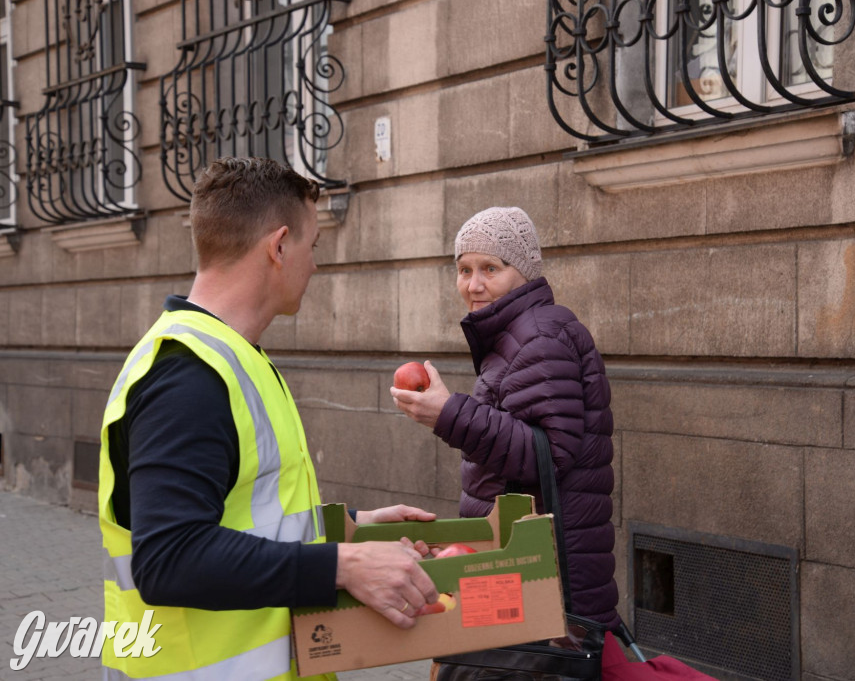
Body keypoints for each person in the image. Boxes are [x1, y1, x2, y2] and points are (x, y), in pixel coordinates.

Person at [97, 157, 439, 681]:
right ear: (279, 247)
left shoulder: (236, 359)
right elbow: (169, 557)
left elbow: (246, 512)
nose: (316, 266)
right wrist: (344, 567)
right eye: (313, 247)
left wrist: (349, 530)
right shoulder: (186, 377)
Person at [391, 206, 620, 627]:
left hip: (547, 568)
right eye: (464, 270)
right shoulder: (517, 335)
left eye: (490, 268)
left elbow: (549, 455)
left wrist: (449, 414)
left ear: (524, 272)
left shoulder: (540, 338)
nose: (473, 285)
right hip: (527, 557)